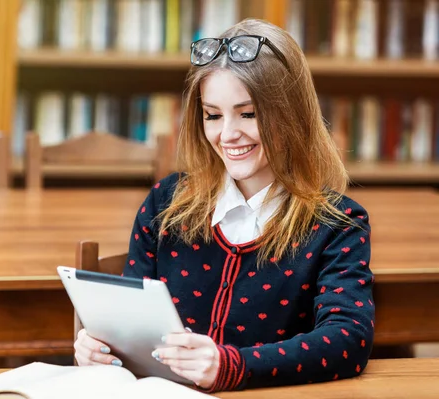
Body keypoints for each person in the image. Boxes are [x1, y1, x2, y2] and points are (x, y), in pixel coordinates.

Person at [73, 18, 374, 393]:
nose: (228, 134)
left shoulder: (339, 223)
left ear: (291, 114)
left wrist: (232, 366)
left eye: (248, 114)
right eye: (213, 115)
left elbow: (347, 340)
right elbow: (127, 322)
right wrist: (98, 347)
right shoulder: (165, 204)